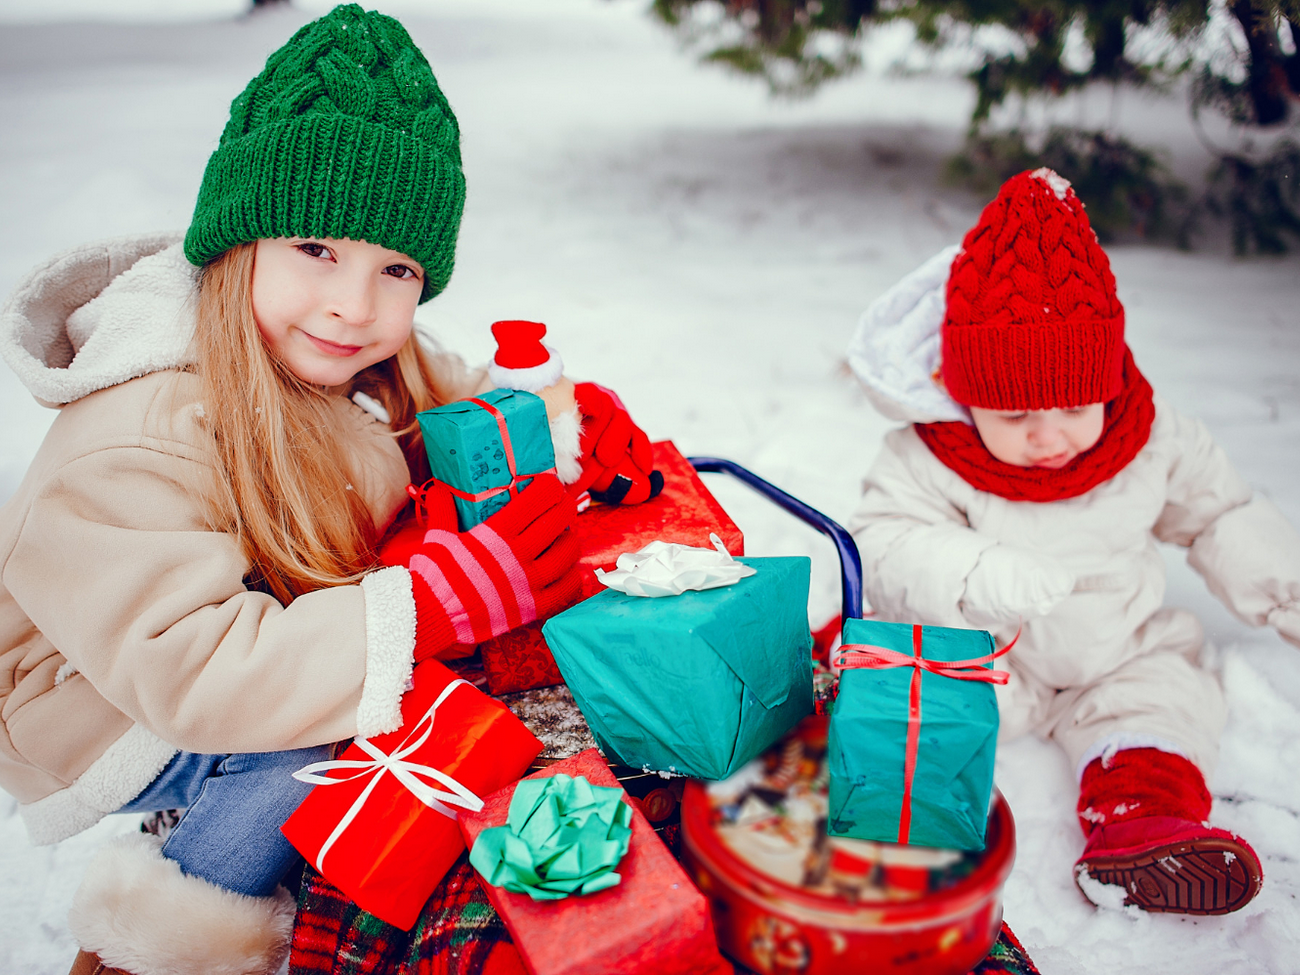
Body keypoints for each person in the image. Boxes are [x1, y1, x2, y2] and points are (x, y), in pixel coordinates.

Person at [0, 7, 656, 975]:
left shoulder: (333, 353)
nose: (356, 305)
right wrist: (429, 601)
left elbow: (443, 400)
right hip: (109, 701)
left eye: (396, 268)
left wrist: (557, 422)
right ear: (241, 241)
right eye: (317, 249)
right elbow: (196, 675)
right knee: (323, 741)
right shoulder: (138, 428)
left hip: (240, 628)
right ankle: (168, 929)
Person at [845, 167, 1300, 916]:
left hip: (1115, 647)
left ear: (1107, 381)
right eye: (1015, 413)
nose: (1048, 434)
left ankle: (1141, 822)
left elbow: (1219, 512)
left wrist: (1282, 586)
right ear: (965, 394)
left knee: (1160, 702)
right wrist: (976, 568)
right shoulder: (928, 456)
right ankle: (895, 836)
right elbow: (884, 540)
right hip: (990, 651)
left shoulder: (1151, 439)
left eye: (1071, 404)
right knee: (903, 691)